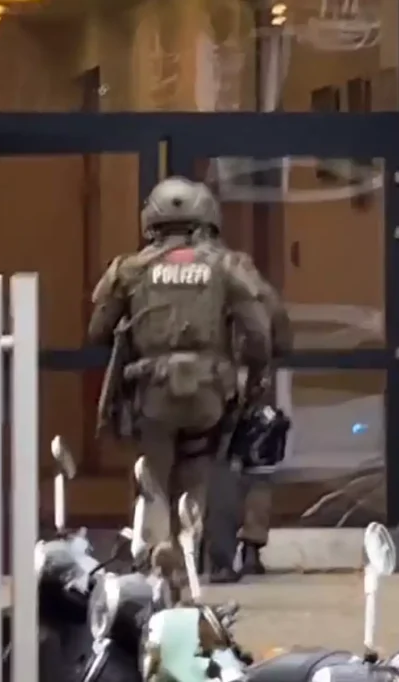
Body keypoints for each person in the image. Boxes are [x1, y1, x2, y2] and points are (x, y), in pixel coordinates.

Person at [86, 176, 272, 601]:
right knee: (197, 473)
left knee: (153, 477)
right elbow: (258, 333)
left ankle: (157, 555)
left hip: (152, 392)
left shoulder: (128, 269)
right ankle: (189, 560)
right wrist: (255, 375)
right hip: (208, 393)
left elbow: (97, 331)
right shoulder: (225, 267)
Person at [190, 182, 292, 581]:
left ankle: (200, 552)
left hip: (198, 382)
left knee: (202, 467)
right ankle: (249, 547)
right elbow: (277, 325)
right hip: (244, 379)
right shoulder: (240, 267)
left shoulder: (171, 269)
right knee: (255, 466)